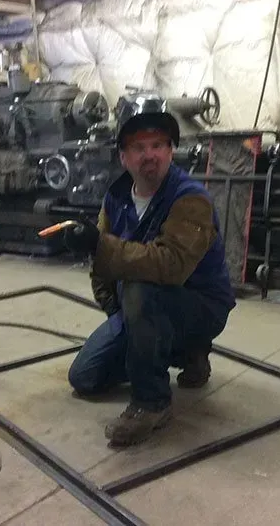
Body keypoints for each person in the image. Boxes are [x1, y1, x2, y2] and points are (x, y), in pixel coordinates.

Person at [61, 91, 236, 447]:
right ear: (123, 157)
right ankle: (173, 351)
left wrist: (99, 245)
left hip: (199, 307)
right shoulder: (116, 198)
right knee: (85, 377)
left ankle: (152, 401)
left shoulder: (191, 199)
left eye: (158, 145)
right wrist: (122, 318)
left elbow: (169, 265)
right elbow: (102, 271)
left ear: (171, 151)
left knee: (141, 284)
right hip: (142, 307)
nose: (149, 155)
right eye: (139, 147)